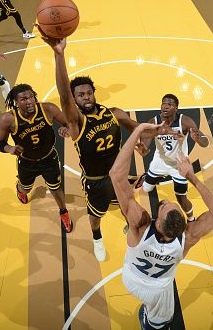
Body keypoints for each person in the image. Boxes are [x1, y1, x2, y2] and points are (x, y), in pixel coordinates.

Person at [42, 33, 142, 262]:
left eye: (89, 93)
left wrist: (151, 134)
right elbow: (64, 96)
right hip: (95, 181)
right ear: (75, 99)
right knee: (95, 217)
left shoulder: (112, 112)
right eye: (80, 95)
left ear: (94, 93)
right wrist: (59, 55)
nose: (86, 97)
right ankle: (97, 239)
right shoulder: (76, 122)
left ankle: (131, 227)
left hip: (118, 176)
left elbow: (134, 125)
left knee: (129, 205)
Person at [110, 123, 213, 330]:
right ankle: (153, 322)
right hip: (158, 291)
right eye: (171, 204)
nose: (166, 201)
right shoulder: (188, 237)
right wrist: (191, 176)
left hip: (131, 279)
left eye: (164, 206)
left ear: (157, 223)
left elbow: (116, 175)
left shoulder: (141, 227)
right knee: (161, 320)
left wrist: (139, 130)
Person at [0, 83, 73, 233]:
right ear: (16, 102)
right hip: (26, 162)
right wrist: (9, 148)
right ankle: (20, 189)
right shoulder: (8, 119)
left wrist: (66, 129)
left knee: (56, 187)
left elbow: (69, 123)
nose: (29, 101)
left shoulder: (48, 109)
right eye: (24, 99)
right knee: (25, 188)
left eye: (31, 97)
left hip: (49, 158)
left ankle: (63, 211)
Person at [136, 94, 209, 223]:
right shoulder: (153, 122)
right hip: (160, 162)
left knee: (181, 198)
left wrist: (198, 139)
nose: (165, 106)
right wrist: (143, 151)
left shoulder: (185, 121)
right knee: (146, 189)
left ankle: (191, 219)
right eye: (163, 103)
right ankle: (147, 179)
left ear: (176, 108)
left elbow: (206, 142)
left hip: (179, 165)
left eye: (169, 104)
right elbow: (145, 148)